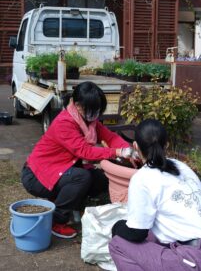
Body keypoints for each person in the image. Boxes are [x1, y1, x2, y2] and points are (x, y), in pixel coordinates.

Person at [21, 81, 132, 239]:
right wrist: (117, 152)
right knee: (82, 177)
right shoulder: (64, 123)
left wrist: (129, 151)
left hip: (60, 170)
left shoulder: (89, 122)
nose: (96, 114)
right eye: (93, 110)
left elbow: (110, 137)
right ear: (77, 105)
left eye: (99, 110)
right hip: (37, 176)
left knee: (100, 179)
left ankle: (73, 203)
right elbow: (85, 152)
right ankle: (56, 221)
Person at [109, 119, 201, 271]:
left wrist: (117, 227)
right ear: (166, 145)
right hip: (193, 246)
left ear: (135, 146)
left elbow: (136, 233)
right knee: (152, 233)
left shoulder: (142, 178)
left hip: (192, 257)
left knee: (118, 244)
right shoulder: (182, 166)